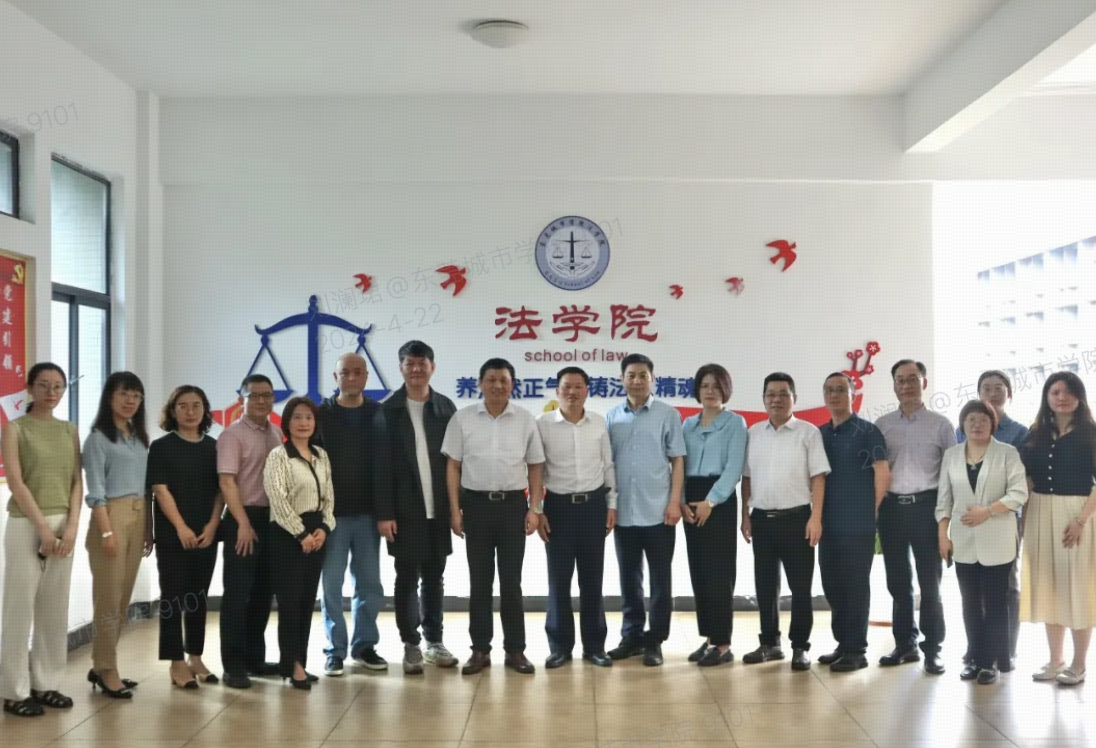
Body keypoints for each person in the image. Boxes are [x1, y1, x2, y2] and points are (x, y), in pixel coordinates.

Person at [442, 358, 544, 675]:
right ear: (480, 383)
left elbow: (535, 466)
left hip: (513, 506)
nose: (497, 385)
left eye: (503, 380)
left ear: (512, 384)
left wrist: (535, 508)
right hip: (476, 506)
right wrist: (454, 509)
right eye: (491, 379)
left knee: (511, 582)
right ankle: (479, 650)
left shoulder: (525, 419)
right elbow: (453, 466)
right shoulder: (462, 419)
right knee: (480, 582)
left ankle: (515, 650)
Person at [0, 363, 82, 717]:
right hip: (26, 524)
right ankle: (14, 691)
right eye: (44, 385)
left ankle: (46, 683)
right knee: (19, 609)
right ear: (30, 388)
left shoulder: (69, 430)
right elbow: (16, 482)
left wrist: (72, 525)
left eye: (58, 386)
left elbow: (76, 480)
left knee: (54, 609)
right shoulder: (15, 429)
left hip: (64, 524)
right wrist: (44, 530)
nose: (52, 392)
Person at [376, 341, 460, 674]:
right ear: (401, 368)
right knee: (406, 578)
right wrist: (385, 513)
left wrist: (457, 507)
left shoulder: (445, 406)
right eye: (409, 364)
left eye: (422, 364)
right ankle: (410, 644)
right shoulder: (388, 410)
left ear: (432, 367)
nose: (416, 369)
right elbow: (380, 467)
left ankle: (434, 641)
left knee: (435, 578)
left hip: (438, 508)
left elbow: (457, 462)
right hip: (403, 511)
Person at [740, 372, 830, 671]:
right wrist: (745, 515)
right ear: (764, 399)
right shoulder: (753, 433)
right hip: (762, 520)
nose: (776, 399)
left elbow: (818, 478)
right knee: (765, 587)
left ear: (794, 398)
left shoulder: (808, 432)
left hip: (798, 520)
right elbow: (747, 478)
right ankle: (770, 643)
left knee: (801, 588)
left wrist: (816, 518)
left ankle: (800, 647)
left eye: (783, 394)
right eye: (770, 394)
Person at [936, 399, 1027, 685]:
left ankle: (991, 662)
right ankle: (974, 657)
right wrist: (943, 535)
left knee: (996, 604)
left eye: (983, 420)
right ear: (962, 425)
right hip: (963, 541)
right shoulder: (952, 455)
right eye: (971, 420)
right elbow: (944, 499)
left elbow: (1019, 493)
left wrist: (987, 511)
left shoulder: (1007, 453)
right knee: (970, 603)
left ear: (993, 424)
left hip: (998, 540)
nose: (977, 425)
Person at [605, 353, 686, 667]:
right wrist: (610, 505)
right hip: (624, 512)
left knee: (660, 581)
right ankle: (632, 636)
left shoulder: (668, 414)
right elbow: (607, 465)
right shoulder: (612, 417)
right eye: (631, 375)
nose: (637, 380)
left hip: (659, 511)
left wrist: (674, 501)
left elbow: (677, 459)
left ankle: (655, 640)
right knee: (629, 579)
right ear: (622, 379)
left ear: (652, 379)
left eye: (643, 375)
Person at [876, 359, 955, 675]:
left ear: (924, 382)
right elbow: (876, 471)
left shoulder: (941, 425)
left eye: (912, 379)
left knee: (930, 583)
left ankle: (933, 649)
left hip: (927, 508)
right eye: (900, 380)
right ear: (894, 385)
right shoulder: (882, 425)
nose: (906, 385)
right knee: (898, 582)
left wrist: (946, 520)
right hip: (892, 510)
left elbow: (951, 474)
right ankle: (904, 645)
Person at [535, 366, 617, 669]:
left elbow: (608, 465)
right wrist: (537, 509)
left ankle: (595, 646)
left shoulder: (598, 423)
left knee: (592, 581)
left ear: (587, 390)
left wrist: (612, 505)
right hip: (557, 509)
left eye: (578, 386)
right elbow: (536, 470)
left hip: (593, 507)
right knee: (559, 581)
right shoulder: (542, 424)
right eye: (566, 386)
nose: (572, 392)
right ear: (557, 391)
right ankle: (559, 647)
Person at [1020, 371, 1096, 686]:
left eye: (1068, 391)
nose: (1061, 397)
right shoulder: (1035, 432)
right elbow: (1026, 479)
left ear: (1079, 396)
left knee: (1077, 588)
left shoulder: (1091, 433)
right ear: (1047, 397)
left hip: (1077, 514)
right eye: (1055, 392)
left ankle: (1079, 664)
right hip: (1040, 511)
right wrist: (1024, 522)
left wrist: (1081, 520)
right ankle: (1055, 659)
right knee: (1048, 587)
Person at [316, 352, 387, 677]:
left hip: (369, 516)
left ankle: (364, 646)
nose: (352, 377)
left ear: (367, 376)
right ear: (336, 377)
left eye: (358, 372)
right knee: (331, 586)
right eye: (345, 372)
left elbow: (387, 465)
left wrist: (385, 512)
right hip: (331, 516)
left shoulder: (378, 413)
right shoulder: (321, 415)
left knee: (370, 585)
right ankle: (335, 650)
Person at [148, 385, 223, 689]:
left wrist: (214, 524)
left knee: (198, 597)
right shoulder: (161, 447)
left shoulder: (215, 447)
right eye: (183, 406)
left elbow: (222, 490)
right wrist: (180, 527)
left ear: (205, 410)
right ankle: (176, 661)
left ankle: (195, 656)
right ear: (172, 410)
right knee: (172, 597)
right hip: (172, 535)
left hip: (206, 534)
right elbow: (160, 489)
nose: (190, 412)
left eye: (196, 405)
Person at [83, 371, 152, 699]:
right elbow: (95, 491)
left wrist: (148, 528)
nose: (130, 401)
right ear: (109, 396)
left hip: (138, 517)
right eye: (124, 394)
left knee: (122, 598)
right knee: (108, 598)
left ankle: (104, 664)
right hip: (110, 517)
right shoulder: (97, 439)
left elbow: (146, 488)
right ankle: (106, 668)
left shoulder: (138, 438)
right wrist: (106, 531)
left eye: (136, 396)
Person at [817, 372, 890, 672]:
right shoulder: (820, 433)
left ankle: (856, 650)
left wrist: (871, 510)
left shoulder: (868, 431)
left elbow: (882, 472)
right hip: (827, 524)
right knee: (832, 585)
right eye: (829, 390)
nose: (834, 395)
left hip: (858, 524)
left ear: (852, 394)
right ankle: (842, 643)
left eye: (840, 390)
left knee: (855, 587)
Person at [956, 370, 1029, 666]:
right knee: (972, 588)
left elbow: (1023, 481)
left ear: (1009, 394)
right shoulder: (962, 430)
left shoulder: (1020, 433)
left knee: (1005, 585)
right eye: (986, 388)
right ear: (979, 394)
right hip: (969, 522)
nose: (993, 393)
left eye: (999, 388)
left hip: (1003, 519)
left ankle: (1005, 649)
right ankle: (977, 648)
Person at [264, 396, 336, 690]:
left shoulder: (321, 455)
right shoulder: (279, 456)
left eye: (308, 417)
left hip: (317, 534)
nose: (303, 422)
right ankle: (291, 665)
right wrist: (301, 534)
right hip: (287, 535)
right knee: (290, 603)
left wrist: (325, 529)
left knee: (307, 602)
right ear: (287, 422)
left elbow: (329, 498)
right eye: (297, 417)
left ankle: (299, 663)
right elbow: (277, 500)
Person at [217, 374, 284, 688]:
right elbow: (227, 481)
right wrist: (242, 523)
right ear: (241, 399)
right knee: (237, 595)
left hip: (272, 521)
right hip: (242, 519)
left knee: (262, 593)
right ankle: (233, 665)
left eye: (267, 395)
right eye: (254, 395)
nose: (261, 401)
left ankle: (255, 659)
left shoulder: (276, 432)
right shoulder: (232, 435)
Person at [681, 364, 746, 668]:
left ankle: (722, 643)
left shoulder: (735, 423)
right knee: (699, 571)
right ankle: (708, 637)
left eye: (716, 386)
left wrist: (711, 501)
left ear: (725, 390)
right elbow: (679, 465)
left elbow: (734, 468)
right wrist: (682, 500)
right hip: (690, 498)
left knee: (719, 573)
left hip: (718, 499)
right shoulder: (687, 425)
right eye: (705, 385)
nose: (710, 391)